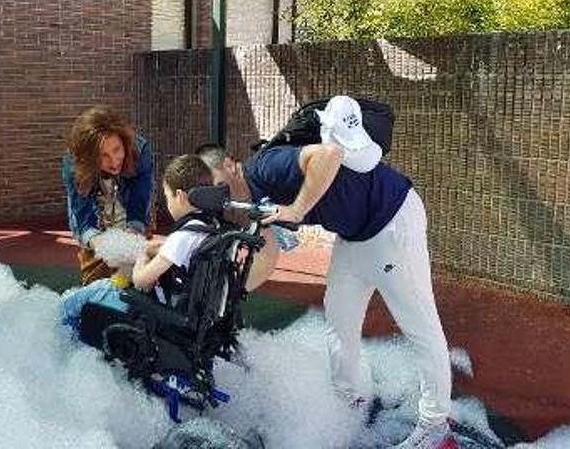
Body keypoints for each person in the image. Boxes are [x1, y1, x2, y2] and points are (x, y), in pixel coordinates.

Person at [197, 96, 456, 449]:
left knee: (420, 325)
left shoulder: (267, 166)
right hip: (354, 235)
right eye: (214, 196)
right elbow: (266, 258)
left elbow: (330, 155)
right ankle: (351, 400)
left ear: (231, 166)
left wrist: (297, 208)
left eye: (220, 186)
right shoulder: (252, 201)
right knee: (340, 317)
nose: (222, 198)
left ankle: (435, 428)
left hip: (393, 218)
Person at [62, 154, 277, 321]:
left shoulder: (182, 236)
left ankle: (63, 330)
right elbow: (183, 249)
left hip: (171, 312)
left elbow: (142, 280)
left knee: (95, 292)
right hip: (205, 313)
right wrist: (155, 247)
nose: (168, 203)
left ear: (180, 196)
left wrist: (141, 257)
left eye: (168, 197)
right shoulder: (212, 228)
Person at [61, 106, 155, 285]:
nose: (113, 162)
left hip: (129, 200)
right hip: (94, 201)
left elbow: (139, 199)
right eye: (103, 156)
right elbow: (83, 216)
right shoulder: (74, 162)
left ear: (124, 142)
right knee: (94, 275)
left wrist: (132, 236)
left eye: (117, 150)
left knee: (135, 270)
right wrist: (100, 244)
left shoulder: (139, 150)